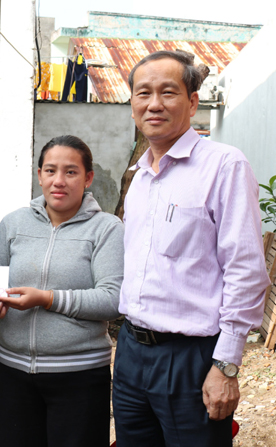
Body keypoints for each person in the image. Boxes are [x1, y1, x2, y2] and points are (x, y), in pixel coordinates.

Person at [112, 50, 270, 446]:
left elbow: (246, 269)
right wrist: (124, 351)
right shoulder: (140, 177)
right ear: (132, 104)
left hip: (191, 358)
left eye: (168, 92)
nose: (154, 104)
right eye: (142, 93)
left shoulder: (224, 165)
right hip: (132, 353)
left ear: (193, 102)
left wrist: (227, 365)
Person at [0, 135, 124, 447]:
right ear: (39, 175)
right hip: (14, 373)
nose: (59, 181)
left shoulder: (106, 229)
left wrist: (47, 299)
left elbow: (113, 299)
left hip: (79, 375)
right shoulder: (14, 224)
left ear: (88, 178)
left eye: (71, 172)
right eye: (50, 170)